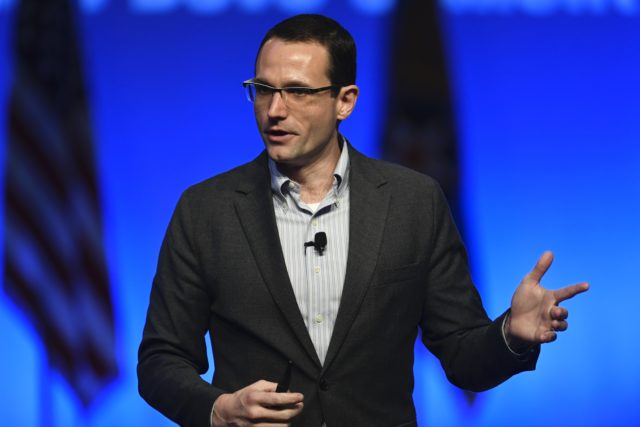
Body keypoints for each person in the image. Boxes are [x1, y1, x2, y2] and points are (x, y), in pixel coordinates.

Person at [137, 14, 589, 427]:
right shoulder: (206, 210)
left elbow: (461, 354)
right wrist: (217, 409)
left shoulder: (414, 202)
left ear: (345, 101)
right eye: (263, 89)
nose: (274, 109)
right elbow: (161, 360)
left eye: (297, 91)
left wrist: (511, 333)